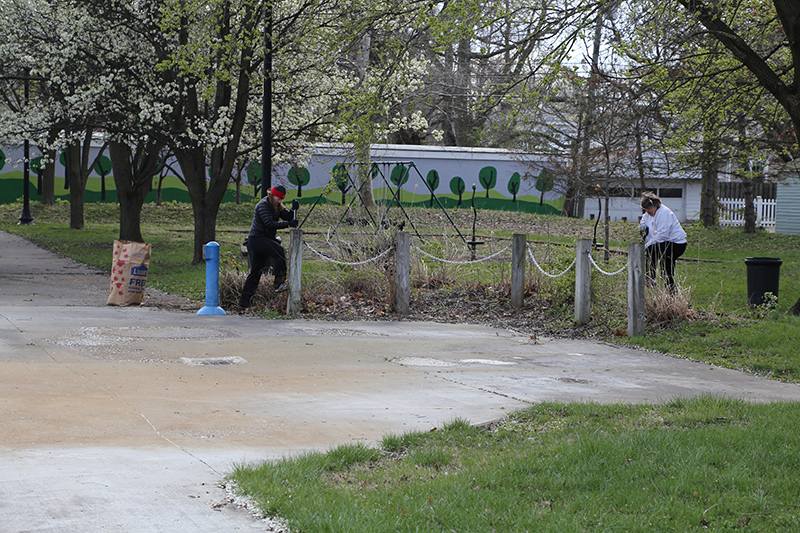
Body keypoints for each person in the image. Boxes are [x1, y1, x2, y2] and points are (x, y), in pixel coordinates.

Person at [239, 185, 299, 308]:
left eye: (281, 199)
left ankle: (244, 303)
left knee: (256, 272)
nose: (279, 201)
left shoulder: (276, 205)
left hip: (263, 239)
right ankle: (279, 282)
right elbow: (269, 223)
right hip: (257, 238)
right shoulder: (263, 205)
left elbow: (286, 216)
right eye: (278, 198)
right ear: (271, 195)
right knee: (279, 252)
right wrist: (288, 224)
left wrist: (293, 210)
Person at [638, 191, 687, 293]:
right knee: (666, 272)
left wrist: (646, 246)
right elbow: (644, 219)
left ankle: (650, 277)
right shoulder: (649, 213)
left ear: (655, 205)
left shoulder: (664, 213)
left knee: (653, 250)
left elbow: (662, 236)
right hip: (666, 243)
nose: (647, 211)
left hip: (676, 244)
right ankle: (672, 295)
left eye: (649, 208)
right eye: (645, 209)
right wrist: (642, 225)